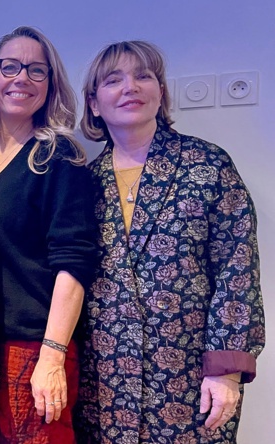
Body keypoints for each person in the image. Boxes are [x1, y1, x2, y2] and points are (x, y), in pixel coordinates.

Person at [75, 40, 266, 444]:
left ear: (160, 92)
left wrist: (227, 368)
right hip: (106, 381)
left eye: (143, 76)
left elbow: (237, 269)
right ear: (94, 103)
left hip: (190, 377)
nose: (131, 87)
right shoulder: (83, 183)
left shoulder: (207, 165)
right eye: (114, 80)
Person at [0, 26, 97, 443]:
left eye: (37, 70)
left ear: (51, 85)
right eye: (10, 66)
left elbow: (74, 261)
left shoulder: (58, 156)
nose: (21, 79)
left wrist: (52, 356)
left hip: (32, 346)